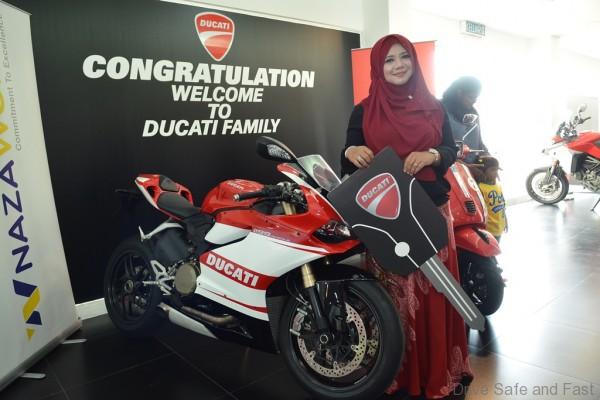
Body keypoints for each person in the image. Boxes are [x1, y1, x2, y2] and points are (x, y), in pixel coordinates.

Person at [340, 34, 472, 399]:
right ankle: (397, 372)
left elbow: (449, 149)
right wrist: (352, 151)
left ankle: (437, 370)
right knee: (393, 297)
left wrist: (432, 155)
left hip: (430, 211)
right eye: (389, 60)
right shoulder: (364, 110)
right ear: (377, 68)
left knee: (434, 293)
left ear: (414, 61)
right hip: (384, 218)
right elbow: (347, 154)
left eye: (404, 57)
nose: (398, 65)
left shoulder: (434, 107)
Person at [441, 76, 487, 163]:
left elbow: (478, 143)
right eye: (471, 97)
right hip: (448, 165)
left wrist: (488, 158)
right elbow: (436, 144)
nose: (474, 101)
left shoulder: (473, 113)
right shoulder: (440, 110)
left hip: (473, 166)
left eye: (476, 97)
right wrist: (456, 162)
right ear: (459, 93)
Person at [476, 156, 508, 242]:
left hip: (499, 227)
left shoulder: (498, 185)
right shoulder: (480, 188)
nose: (496, 173)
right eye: (492, 170)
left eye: (497, 170)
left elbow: (502, 205)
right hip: (489, 231)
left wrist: (505, 221)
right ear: (483, 171)